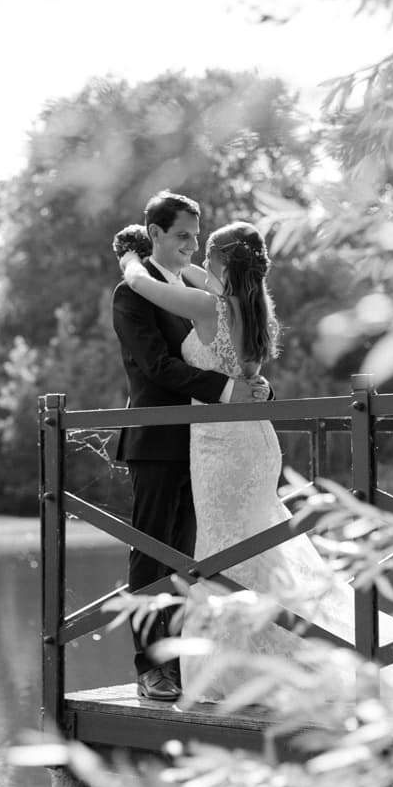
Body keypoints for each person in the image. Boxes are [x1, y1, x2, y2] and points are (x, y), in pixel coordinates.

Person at [116, 218, 393, 702]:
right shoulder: (253, 306)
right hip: (251, 443)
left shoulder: (206, 305)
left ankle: (236, 666)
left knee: (222, 552)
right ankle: (272, 651)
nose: (198, 255)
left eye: (208, 251)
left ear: (223, 263)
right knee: (246, 550)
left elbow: (141, 283)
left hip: (220, 449)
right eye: (186, 238)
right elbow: (218, 356)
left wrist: (130, 255)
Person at [109, 192, 269, 702]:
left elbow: (238, 350)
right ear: (154, 233)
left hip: (212, 450)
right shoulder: (133, 294)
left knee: (192, 561)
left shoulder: (200, 289)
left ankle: (186, 662)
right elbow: (158, 367)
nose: (192, 245)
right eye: (182, 235)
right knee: (151, 555)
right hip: (160, 442)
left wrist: (252, 390)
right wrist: (229, 392)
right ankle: (150, 667)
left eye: (197, 236)